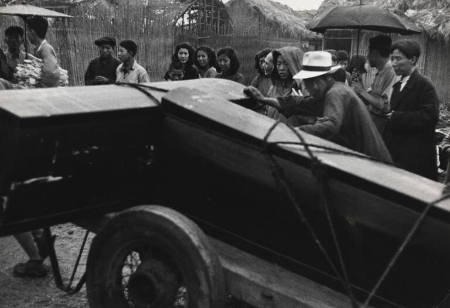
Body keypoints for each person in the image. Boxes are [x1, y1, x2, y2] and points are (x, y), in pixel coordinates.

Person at [245, 51, 392, 162]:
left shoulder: (336, 93)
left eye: (308, 83)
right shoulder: (326, 93)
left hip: (372, 163)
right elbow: (297, 103)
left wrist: (290, 133)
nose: (308, 88)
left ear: (317, 81)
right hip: (362, 159)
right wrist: (263, 99)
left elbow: (329, 125)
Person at [383, 39, 440, 180]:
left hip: (416, 155)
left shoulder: (424, 85)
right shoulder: (398, 85)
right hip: (397, 152)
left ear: (412, 60)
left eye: (398, 59)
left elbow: (430, 116)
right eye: (392, 59)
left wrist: (397, 117)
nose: (393, 63)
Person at [353, 35, 397, 134]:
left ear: (375, 53)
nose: (367, 56)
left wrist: (362, 91)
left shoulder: (391, 72)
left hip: (380, 126)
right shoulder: (380, 72)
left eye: (369, 52)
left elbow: (385, 106)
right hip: (372, 121)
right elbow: (372, 97)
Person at [26, 16, 60, 87]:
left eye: (27, 31)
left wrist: (36, 87)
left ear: (32, 32)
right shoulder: (39, 49)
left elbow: (51, 74)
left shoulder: (46, 49)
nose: (27, 34)